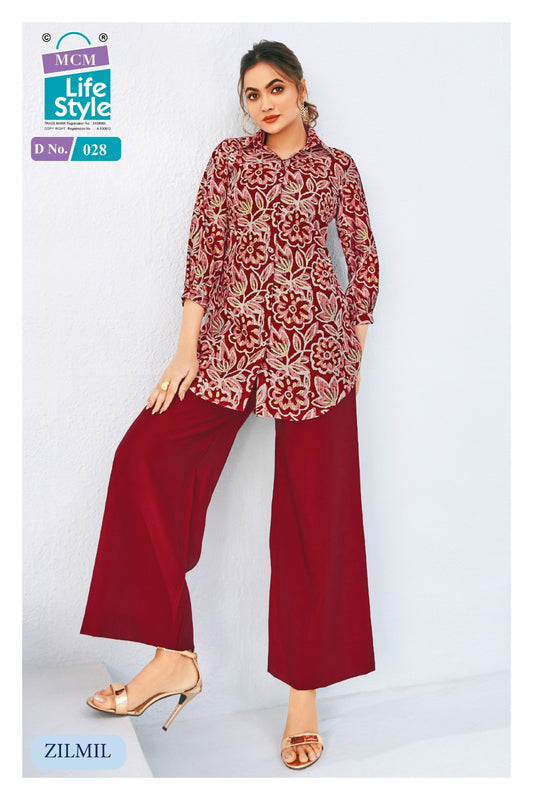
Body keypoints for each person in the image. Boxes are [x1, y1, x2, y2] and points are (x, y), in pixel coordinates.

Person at [80, 39, 380, 771]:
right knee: (143, 458)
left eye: (275, 88)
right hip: (230, 350)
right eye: (252, 94)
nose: (264, 103)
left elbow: (364, 262)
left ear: (299, 89)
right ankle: (171, 657)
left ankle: (303, 700)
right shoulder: (229, 161)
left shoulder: (336, 168)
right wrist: (185, 352)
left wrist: (351, 351)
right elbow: (203, 255)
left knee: (314, 524)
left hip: (316, 359)